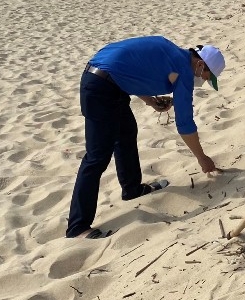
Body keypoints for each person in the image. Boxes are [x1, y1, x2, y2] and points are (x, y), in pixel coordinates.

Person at [66, 38, 226, 239]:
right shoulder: (184, 71)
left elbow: (131, 69)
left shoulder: (172, 52)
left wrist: (150, 101)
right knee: (97, 157)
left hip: (109, 83)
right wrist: (202, 158)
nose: (203, 81)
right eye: (206, 76)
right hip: (100, 89)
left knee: (126, 133)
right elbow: (185, 124)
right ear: (201, 64)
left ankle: (132, 189)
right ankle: (78, 226)